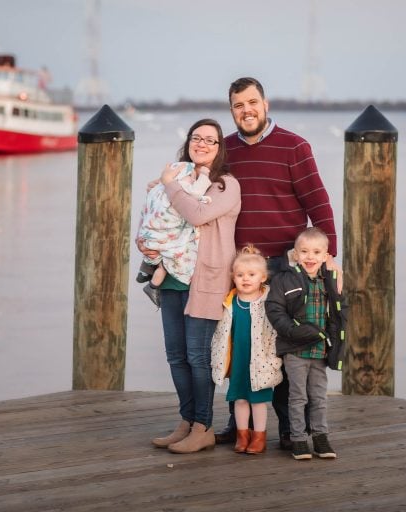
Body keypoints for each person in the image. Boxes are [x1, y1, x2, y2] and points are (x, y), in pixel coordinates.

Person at [216, 76, 339, 450]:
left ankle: (290, 429)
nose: (246, 110)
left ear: (265, 105)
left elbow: (318, 204)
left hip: (285, 265)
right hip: (242, 266)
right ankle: (237, 424)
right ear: (232, 110)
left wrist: (329, 257)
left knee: (283, 346)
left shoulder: (294, 146)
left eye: (252, 102)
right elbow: (199, 184)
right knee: (241, 344)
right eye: (238, 105)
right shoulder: (226, 149)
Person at [137, 118, 241, 454]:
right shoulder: (179, 177)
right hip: (172, 277)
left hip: (206, 280)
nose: (202, 144)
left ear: (220, 147)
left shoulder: (225, 185)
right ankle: (185, 420)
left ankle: (203, 426)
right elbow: (160, 215)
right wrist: (148, 244)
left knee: (199, 358)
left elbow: (196, 214)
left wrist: (169, 186)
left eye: (210, 140)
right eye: (197, 138)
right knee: (176, 356)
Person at [265, 227, 348, 460]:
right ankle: (298, 439)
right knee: (298, 396)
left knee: (319, 397)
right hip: (295, 350)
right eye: (304, 251)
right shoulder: (285, 278)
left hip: (321, 350)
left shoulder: (330, 280)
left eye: (316, 252)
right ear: (296, 254)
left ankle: (321, 437)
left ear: (325, 255)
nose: (310, 257)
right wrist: (292, 331)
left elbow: (340, 311)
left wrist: (335, 341)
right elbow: (274, 309)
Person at [210, 245, 282, 454]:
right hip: (239, 360)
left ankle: (259, 437)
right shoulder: (230, 301)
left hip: (260, 361)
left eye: (251, 274)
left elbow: (275, 333)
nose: (245, 279)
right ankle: (242, 435)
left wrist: (274, 359)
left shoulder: (268, 301)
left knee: (258, 401)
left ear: (263, 277)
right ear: (233, 277)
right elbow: (221, 333)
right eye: (240, 275)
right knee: (240, 399)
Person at [135, 161, 212, 308]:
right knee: (166, 263)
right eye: (191, 176)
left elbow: (146, 210)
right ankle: (152, 287)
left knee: (156, 252)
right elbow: (197, 193)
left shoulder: (158, 190)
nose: (193, 180)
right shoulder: (180, 187)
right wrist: (204, 176)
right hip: (164, 237)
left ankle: (145, 269)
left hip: (150, 235)